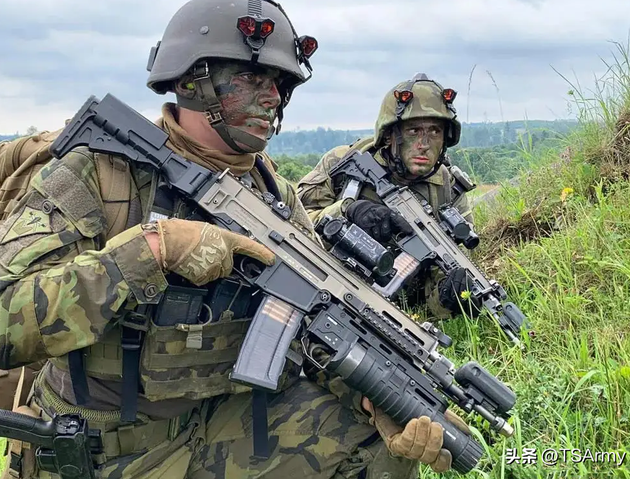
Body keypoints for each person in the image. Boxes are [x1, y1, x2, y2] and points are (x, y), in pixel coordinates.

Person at [0, 2, 467, 478]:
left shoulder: (274, 195)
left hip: (218, 431)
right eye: (251, 80)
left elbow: (317, 329)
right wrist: (154, 251)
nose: (272, 100)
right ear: (191, 83)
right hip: (102, 453)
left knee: (375, 443)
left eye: (280, 85)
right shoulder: (101, 173)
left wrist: (375, 398)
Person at [298, 74, 477, 318]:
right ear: (391, 135)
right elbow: (291, 226)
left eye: (434, 131)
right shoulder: (342, 163)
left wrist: (449, 300)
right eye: (414, 130)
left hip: (389, 311)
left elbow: (437, 286)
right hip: (323, 288)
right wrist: (347, 211)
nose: (424, 144)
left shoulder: (448, 190)